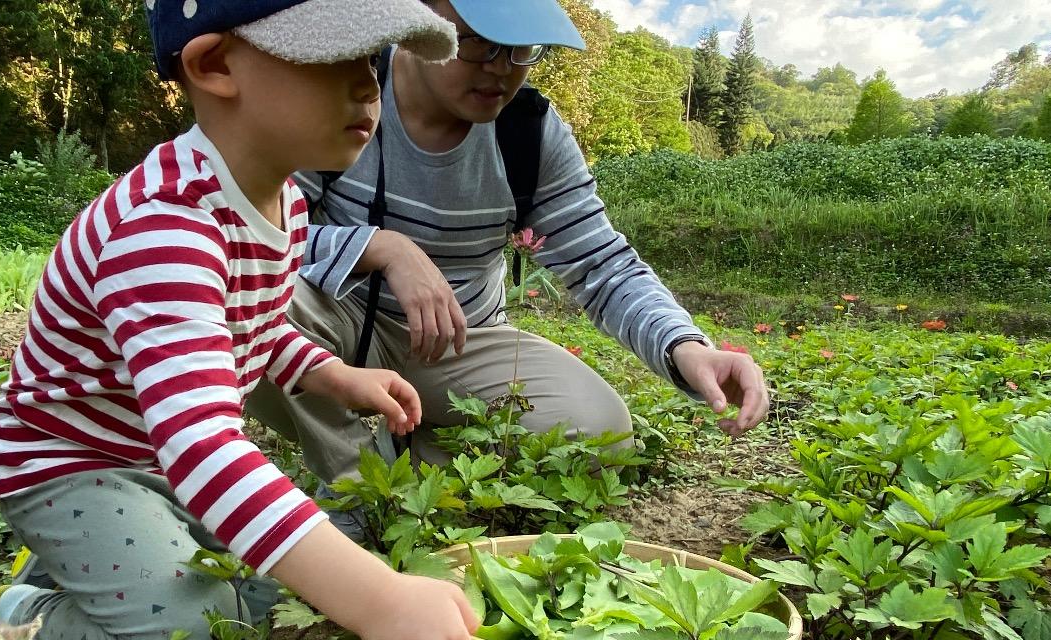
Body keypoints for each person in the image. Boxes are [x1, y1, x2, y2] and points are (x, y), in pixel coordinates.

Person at [0, 2, 479, 639]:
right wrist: (383, 603)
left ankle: (97, 568)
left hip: (159, 456)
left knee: (270, 593)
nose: (368, 85)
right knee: (195, 627)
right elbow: (202, 446)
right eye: (335, 56)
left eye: (370, 58)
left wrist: (333, 375)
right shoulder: (165, 228)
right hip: (73, 463)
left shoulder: (284, 203)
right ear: (216, 65)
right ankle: (14, 614)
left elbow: (254, 324)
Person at [245, 0, 771, 511]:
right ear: (419, 19)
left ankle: (403, 460)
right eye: (478, 42)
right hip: (337, 323)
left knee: (600, 434)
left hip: (461, 343)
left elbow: (602, 263)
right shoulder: (347, 88)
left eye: (522, 47)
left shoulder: (528, 132)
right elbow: (248, 233)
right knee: (243, 303)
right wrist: (379, 247)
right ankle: (356, 488)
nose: (501, 69)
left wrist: (686, 348)